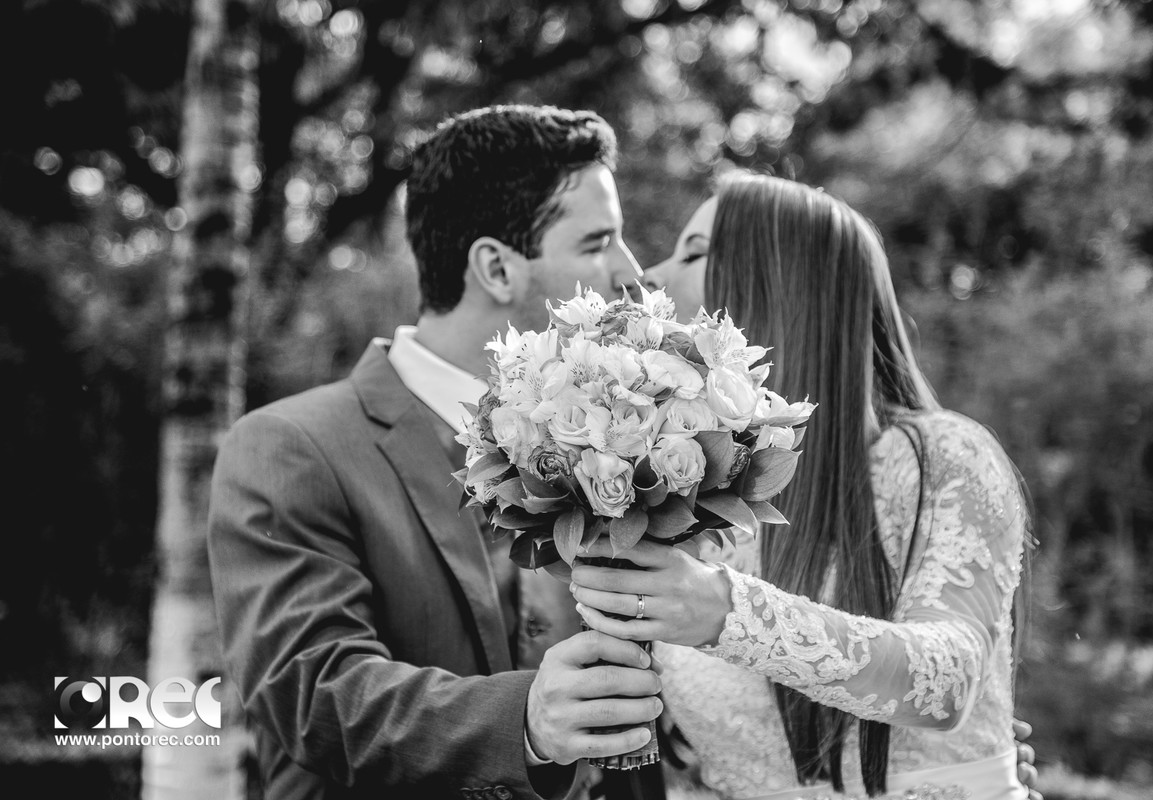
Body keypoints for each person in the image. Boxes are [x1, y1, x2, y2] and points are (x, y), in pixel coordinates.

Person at [207, 105, 665, 800]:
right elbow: (313, 689)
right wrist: (529, 727)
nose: (631, 273)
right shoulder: (291, 447)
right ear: (496, 269)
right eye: (598, 242)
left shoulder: (615, 442)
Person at [570, 175, 1038, 800]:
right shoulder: (689, 500)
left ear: (777, 284)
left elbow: (945, 680)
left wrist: (726, 614)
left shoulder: (940, 457)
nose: (651, 273)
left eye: (693, 252)